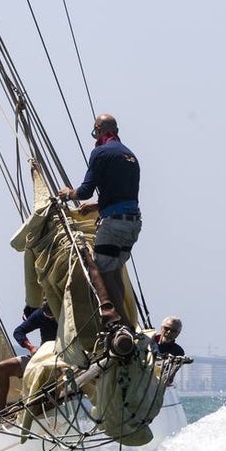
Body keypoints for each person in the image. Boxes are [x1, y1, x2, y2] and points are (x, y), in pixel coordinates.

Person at [57, 113, 141, 323]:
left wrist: (68, 193)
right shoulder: (130, 155)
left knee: (102, 272)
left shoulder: (101, 153)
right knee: (114, 271)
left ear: (99, 130)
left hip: (113, 224)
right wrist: (97, 204)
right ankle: (125, 322)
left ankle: (122, 324)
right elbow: (124, 193)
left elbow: (84, 191)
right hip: (132, 223)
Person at [0, 304, 58, 411]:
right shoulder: (40, 313)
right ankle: (1, 413)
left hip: (63, 357)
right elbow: (18, 332)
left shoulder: (68, 309)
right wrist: (31, 347)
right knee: (3, 368)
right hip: (42, 356)